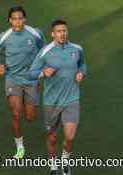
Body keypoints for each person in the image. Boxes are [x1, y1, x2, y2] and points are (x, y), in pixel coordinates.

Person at [28, 19, 86, 175]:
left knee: (70, 136)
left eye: (65, 31)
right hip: (51, 102)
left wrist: (81, 72)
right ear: (53, 34)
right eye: (59, 31)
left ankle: (65, 161)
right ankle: (53, 166)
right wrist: (42, 73)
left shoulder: (76, 49)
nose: (63, 33)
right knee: (52, 137)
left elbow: (82, 64)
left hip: (71, 99)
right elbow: (31, 73)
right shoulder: (45, 51)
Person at [0, 6, 45, 159]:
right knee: (16, 114)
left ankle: (27, 102)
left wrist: (42, 69)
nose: (17, 22)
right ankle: (20, 146)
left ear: (25, 19)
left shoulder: (35, 33)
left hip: (31, 80)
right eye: (14, 18)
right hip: (12, 79)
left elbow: (44, 51)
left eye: (20, 18)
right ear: (9, 20)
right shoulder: (3, 37)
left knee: (30, 117)